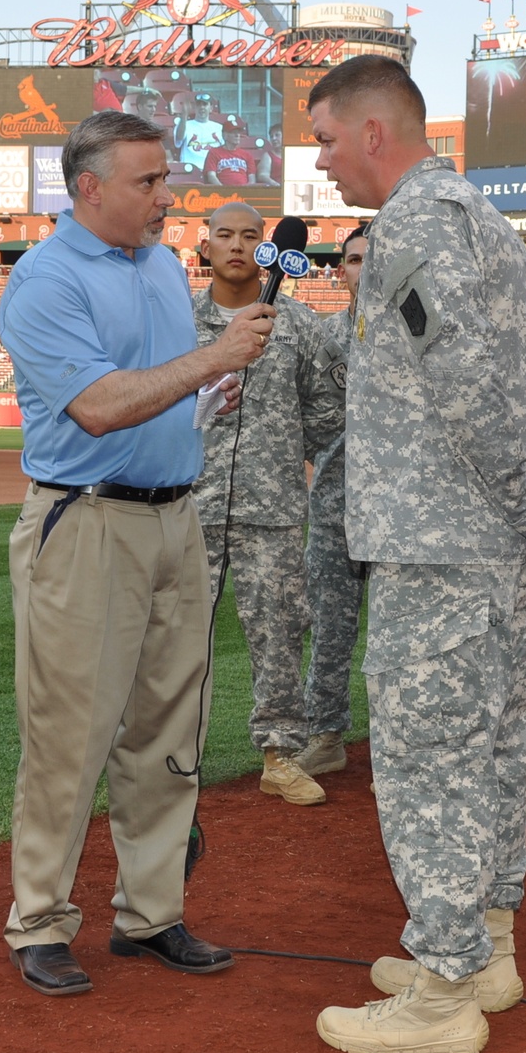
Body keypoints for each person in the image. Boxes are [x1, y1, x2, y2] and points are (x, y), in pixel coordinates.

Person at [304, 55, 526, 1053]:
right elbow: (521, 377)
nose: (321, 160)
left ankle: (444, 987)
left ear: (375, 131)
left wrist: (515, 496)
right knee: (492, 749)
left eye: (326, 137)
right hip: (485, 539)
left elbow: (460, 379)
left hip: (443, 538)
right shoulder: (482, 216)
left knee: (428, 758)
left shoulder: (413, 221)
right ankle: (486, 943)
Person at [0, 110, 270, 996]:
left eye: (165, 180)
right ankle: (39, 920)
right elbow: (102, 406)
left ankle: (151, 914)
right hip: (86, 525)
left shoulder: (156, 262)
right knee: (68, 736)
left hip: (174, 517)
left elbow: (158, 390)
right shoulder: (43, 281)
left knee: (168, 732)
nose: (167, 198)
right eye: (149, 182)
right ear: (90, 188)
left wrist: (203, 395)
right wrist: (216, 356)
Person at [192, 200, 342, 806]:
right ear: (204, 247)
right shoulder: (176, 319)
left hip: (273, 508)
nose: (235, 245)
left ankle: (280, 755)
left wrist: (283, 447)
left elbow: (331, 412)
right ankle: (171, 755)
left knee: (279, 634)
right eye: (222, 234)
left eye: (249, 235)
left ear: (266, 246)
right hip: (188, 503)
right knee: (175, 637)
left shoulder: (299, 325)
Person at [299, 227, 368, 778]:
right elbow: (307, 423)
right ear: (340, 269)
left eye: (373, 259)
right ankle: (324, 734)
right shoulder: (326, 339)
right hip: (336, 507)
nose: (361, 268)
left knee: (404, 635)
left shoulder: (422, 334)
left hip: (409, 512)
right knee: (330, 627)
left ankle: (401, 743)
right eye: (352, 260)